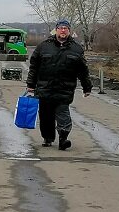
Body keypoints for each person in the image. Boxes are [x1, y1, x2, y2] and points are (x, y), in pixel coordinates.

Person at [25, 19, 92, 151]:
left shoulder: (76, 49)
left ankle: (63, 139)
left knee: (63, 114)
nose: (63, 30)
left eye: (65, 28)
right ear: (56, 30)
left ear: (69, 31)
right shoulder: (43, 46)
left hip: (64, 88)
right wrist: (30, 84)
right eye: (60, 28)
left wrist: (87, 87)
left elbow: (83, 70)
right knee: (46, 116)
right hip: (45, 88)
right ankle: (48, 138)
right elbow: (34, 67)